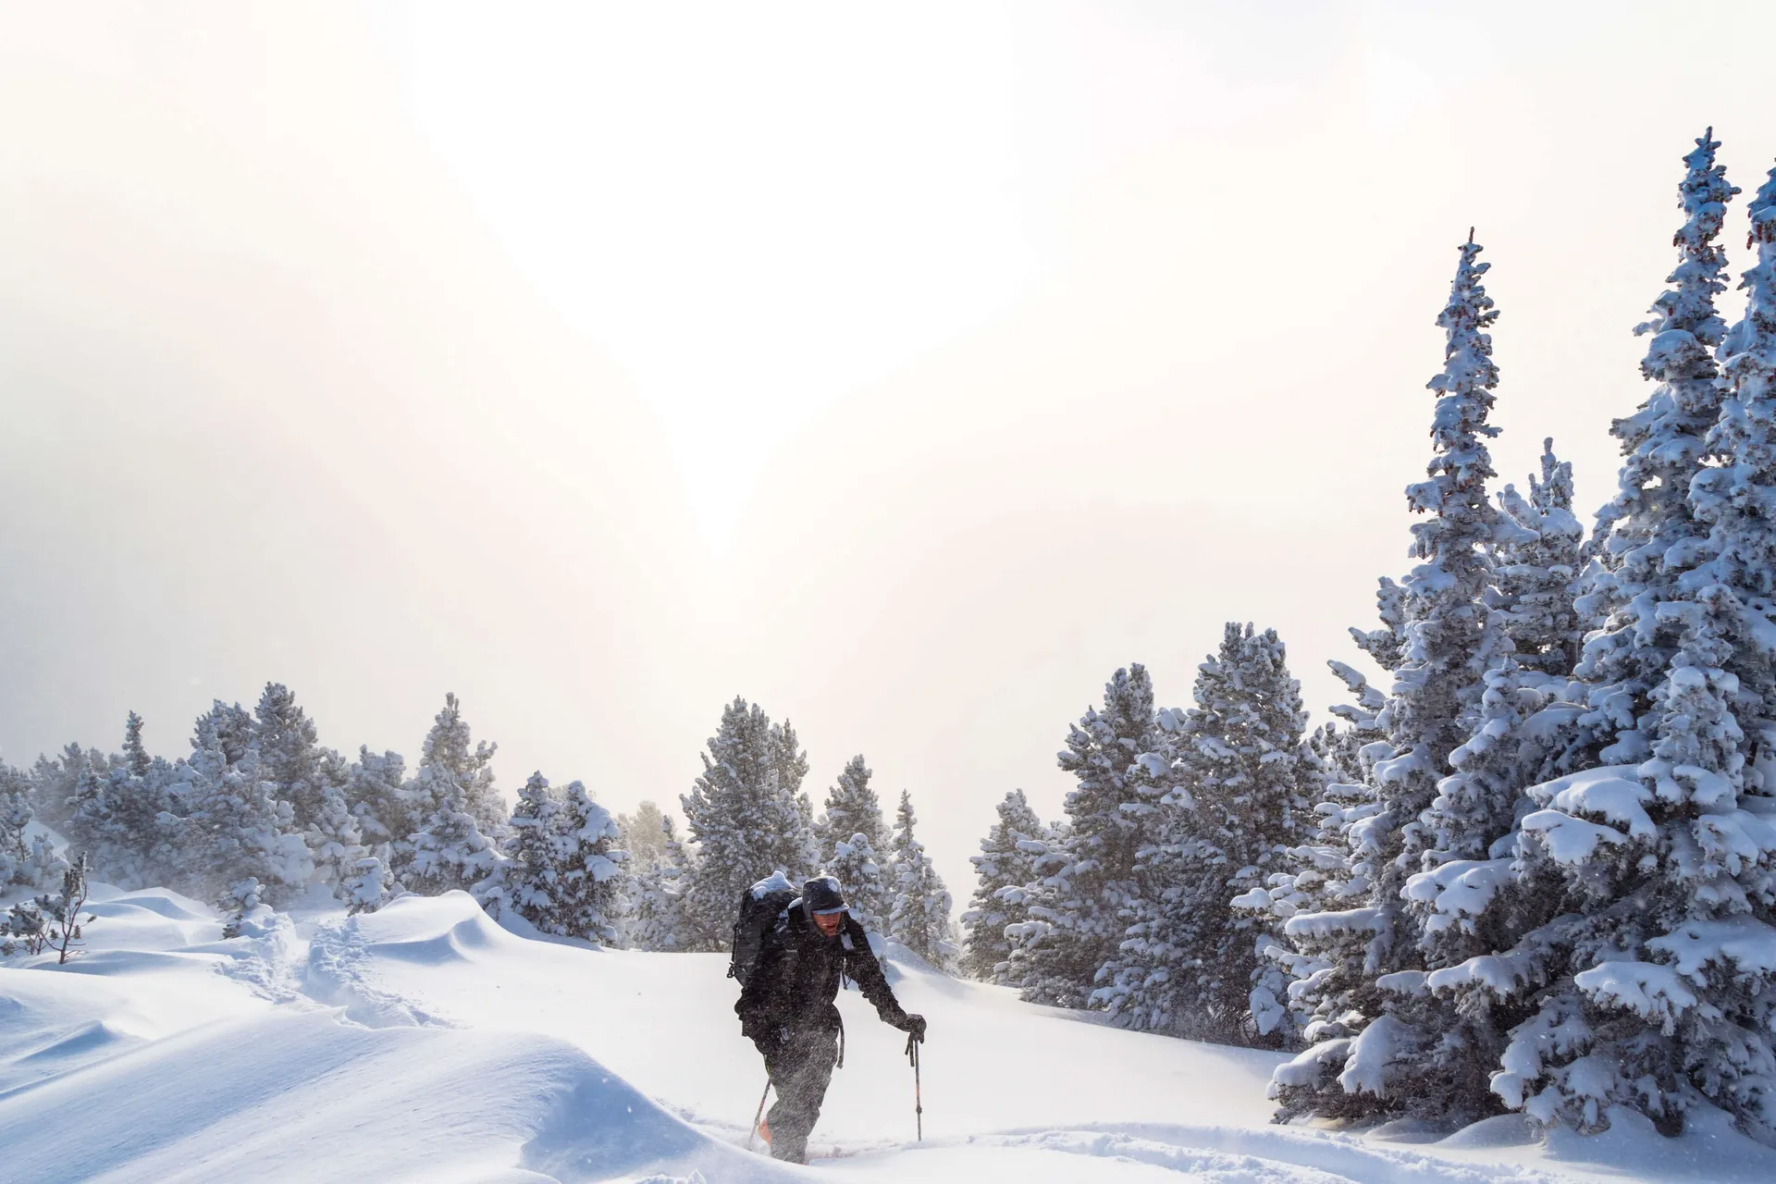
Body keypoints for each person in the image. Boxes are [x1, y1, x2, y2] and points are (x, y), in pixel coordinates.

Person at [735, 875, 926, 1164]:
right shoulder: (785, 940)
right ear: (810, 912)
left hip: (821, 1022)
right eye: (824, 915)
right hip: (778, 1025)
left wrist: (900, 1019)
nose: (831, 920)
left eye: (836, 912)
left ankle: (778, 1131)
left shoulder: (847, 932)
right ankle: (787, 1166)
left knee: (810, 1093)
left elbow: (871, 979)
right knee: (798, 1095)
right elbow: (749, 1004)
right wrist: (774, 1038)